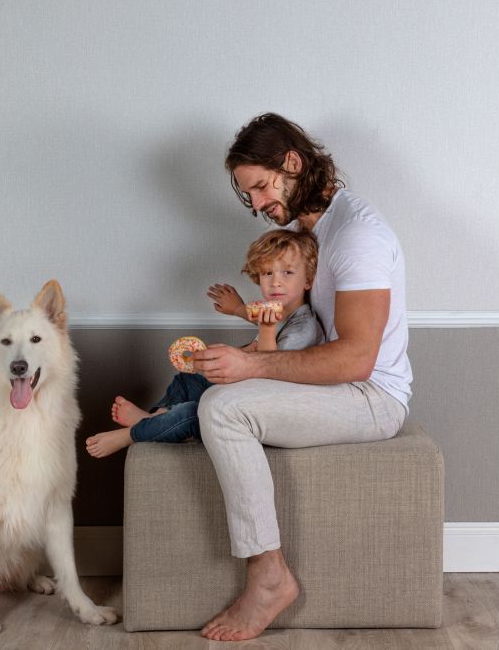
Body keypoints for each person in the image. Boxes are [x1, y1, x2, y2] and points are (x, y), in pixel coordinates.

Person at [190, 112, 412, 642]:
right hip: (339, 384)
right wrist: (244, 351)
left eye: (261, 187)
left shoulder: (356, 235)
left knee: (223, 409)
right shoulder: (305, 234)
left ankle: (269, 577)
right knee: (214, 386)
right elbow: (287, 326)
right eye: (249, 195)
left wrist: (252, 366)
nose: (257, 205)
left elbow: (356, 359)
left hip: (372, 395)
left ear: (292, 163)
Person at [85, 228, 323, 458]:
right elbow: (256, 339)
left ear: (308, 280)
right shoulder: (277, 315)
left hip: (263, 415)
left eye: (287, 273)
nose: (276, 282)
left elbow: (271, 374)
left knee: (192, 413)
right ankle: (154, 419)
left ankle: (132, 434)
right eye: (268, 273)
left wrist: (266, 330)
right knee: (187, 380)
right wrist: (237, 314)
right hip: (246, 395)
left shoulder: (303, 328)